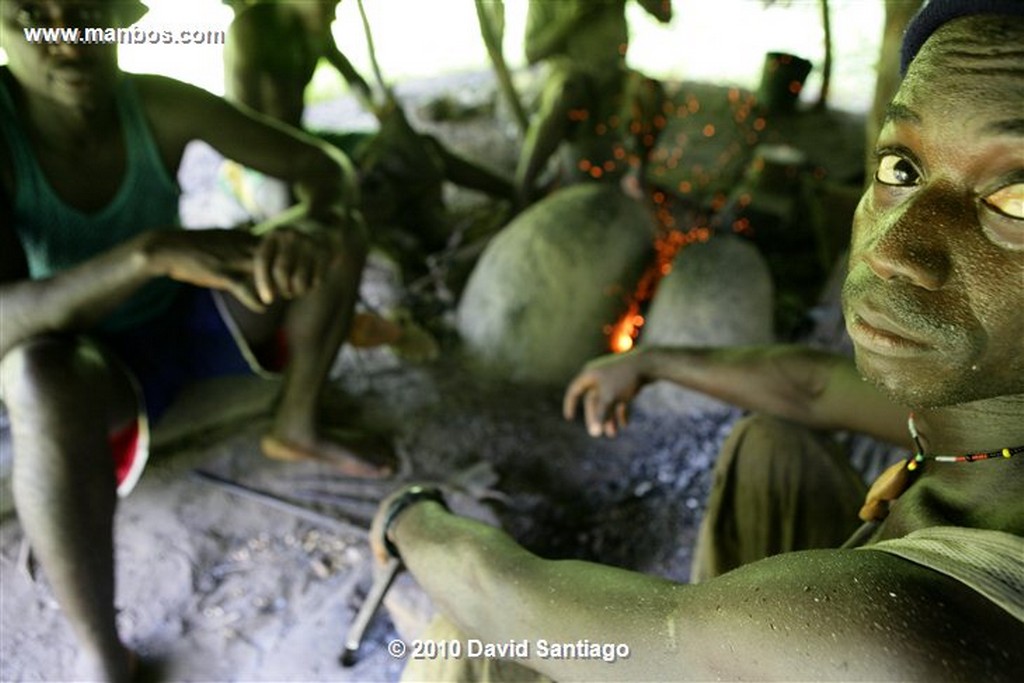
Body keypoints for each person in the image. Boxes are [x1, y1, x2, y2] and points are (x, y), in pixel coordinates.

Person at [370, 3, 1024, 680]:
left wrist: (410, 517)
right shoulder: (997, 429)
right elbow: (812, 384)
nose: (895, 250)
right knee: (774, 447)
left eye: (1016, 200)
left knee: (465, 647)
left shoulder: (897, 633)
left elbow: (529, 611)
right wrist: (654, 361)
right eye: (901, 169)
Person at [0, 0, 393, 679]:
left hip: (186, 322)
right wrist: (148, 252)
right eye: (34, 14)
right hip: (85, 366)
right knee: (34, 376)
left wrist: (317, 222)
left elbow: (322, 163)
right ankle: (101, 649)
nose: (67, 39)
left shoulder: (155, 105)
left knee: (333, 240)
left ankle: (294, 422)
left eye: (86, 10)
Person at [516, 0, 673, 206]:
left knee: (651, 92)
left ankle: (638, 178)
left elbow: (665, 15)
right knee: (567, 93)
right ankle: (523, 188)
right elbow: (531, 53)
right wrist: (572, 17)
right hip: (566, 73)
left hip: (614, 74)